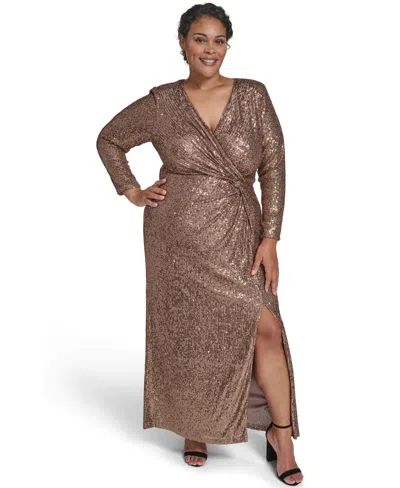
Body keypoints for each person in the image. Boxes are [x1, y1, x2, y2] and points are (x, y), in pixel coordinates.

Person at [96, 3, 303, 485]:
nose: (210, 49)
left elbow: (274, 165)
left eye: (218, 40)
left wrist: (271, 236)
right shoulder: (162, 102)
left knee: (266, 330)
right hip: (177, 238)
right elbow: (110, 139)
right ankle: (196, 426)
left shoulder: (252, 95)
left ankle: (282, 435)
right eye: (200, 39)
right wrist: (132, 190)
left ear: (228, 45)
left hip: (240, 232)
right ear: (183, 44)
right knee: (188, 332)